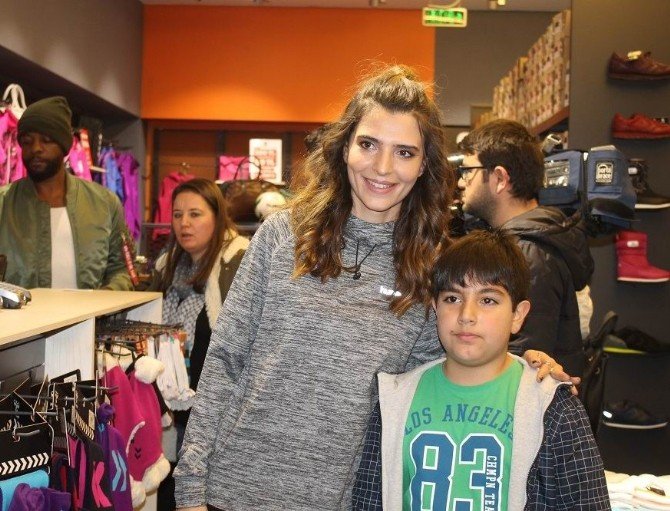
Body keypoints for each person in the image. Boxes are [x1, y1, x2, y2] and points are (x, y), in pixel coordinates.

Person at [173, 65, 569, 511]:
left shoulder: (433, 266)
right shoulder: (282, 234)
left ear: (424, 165)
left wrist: (523, 367)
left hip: (342, 500)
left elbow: (445, 373)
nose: (383, 168)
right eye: (368, 144)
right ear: (345, 147)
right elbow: (225, 359)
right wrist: (190, 487)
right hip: (230, 491)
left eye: (404, 152)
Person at [353, 230, 610, 510]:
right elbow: (368, 500)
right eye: (452, 298)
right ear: (435, 308)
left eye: (488, 300)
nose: (467, 315)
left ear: (518, 315)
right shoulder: (394, 400)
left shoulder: (552, 406)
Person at [457, 119, 594, 376]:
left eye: (468, 171)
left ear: (500, 178)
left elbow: (522, 361)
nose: (462, 182)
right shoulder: (528, 243)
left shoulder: (528, 253)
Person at [151, 178, 249, 510]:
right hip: (171, 406)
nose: (184, 223)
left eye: (195, 214)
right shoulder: (167, 266)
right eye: (177, 215)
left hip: (216, 411)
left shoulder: (238, 263)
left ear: (217, 217)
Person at [0, 96, 133, 290]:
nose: (35, 148)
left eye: (46, 140)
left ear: (64, 145)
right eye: (27, 142)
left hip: (92, 310)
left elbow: (122, 270)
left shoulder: (104, 204)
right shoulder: (4, 204)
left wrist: (105, 298)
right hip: (23, 311)